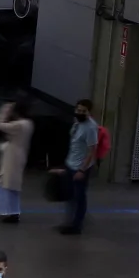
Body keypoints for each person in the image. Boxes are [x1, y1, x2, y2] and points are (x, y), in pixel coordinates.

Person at [59, 98, 99, 234]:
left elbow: (91, 151)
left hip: (81, 167)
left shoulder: (91, 127)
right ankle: (68, 222)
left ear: (89, 112)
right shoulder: (77, 122)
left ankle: (76, 226)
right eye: (78, 110)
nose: (80, 113)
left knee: (79, 197)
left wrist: (82, 169)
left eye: (83, 111)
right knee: (70, 196)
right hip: (71, 163)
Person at [0, 101, 33, 223]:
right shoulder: (28, 123)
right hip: (18, 155)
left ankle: (11, 212)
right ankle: (7, 210)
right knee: (10, 184)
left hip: (13, 156)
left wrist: (4, 110)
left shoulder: (19, 125)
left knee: (8, 185)